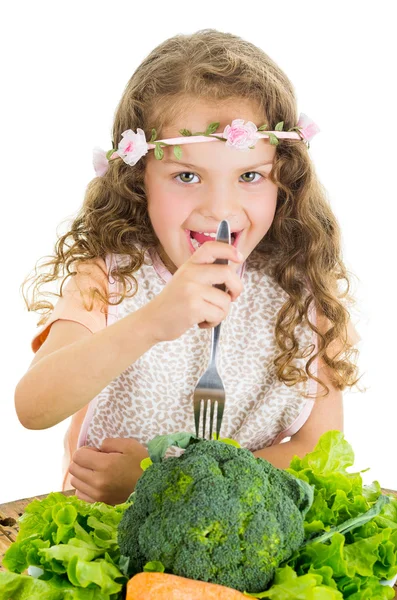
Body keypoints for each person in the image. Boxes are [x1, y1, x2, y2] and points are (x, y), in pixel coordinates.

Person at [15, 29, 362, 506]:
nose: (221, 207)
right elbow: (34, 407)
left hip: (244, 540)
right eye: (186, 176)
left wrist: (159, 480)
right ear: (139, 181)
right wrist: (153, 321)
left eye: (249, 176)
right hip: (113, 547)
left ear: (284, 178)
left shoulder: (304, 294)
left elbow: (320, 451)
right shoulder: (110, 277)